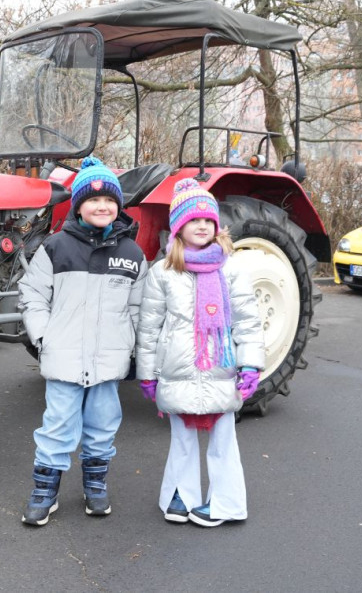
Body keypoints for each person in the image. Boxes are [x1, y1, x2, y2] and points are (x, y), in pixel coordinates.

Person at [17, 156, 147, 526]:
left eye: (109, 200)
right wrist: (44, 337)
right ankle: (45, 491)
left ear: (119, 205)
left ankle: (95, 485)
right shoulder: (56, 248)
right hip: (65, 356)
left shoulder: (133, 256)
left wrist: (134, 349)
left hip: (109, 361)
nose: (102, 206)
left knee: (103, 424)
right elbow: (33, 296)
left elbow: (140, 308)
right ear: (78, 206)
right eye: (92, 200)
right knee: (57, 425)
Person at [135, 178, 265, 527]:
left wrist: (250, 364)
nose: (202, 225)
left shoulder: (232, 267)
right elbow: (149, 328)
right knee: (181, 436)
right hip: (178, 369)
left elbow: (248, 322)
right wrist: (147, 372)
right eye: (194, 220)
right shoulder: (162, 272)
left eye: (208, 220)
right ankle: (180, 496)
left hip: (221, 369)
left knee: (223, 438)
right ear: (179, 227)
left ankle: (228, 503)